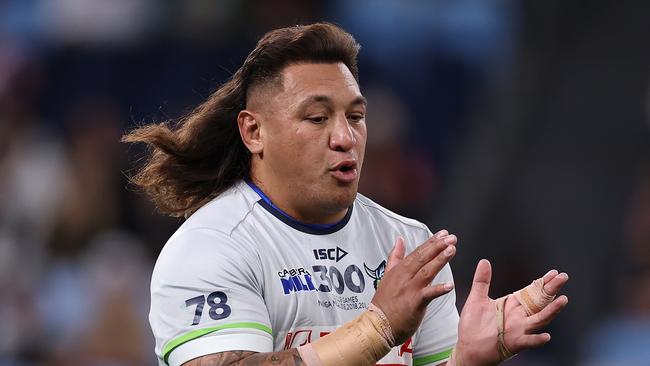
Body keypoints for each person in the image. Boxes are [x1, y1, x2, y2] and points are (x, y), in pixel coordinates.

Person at [123, 23, 569, 366]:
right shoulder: (211, 247)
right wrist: (377, 328)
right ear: (254, 131)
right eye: (317, 118)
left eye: (355, 117)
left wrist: (466, 359)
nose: (344, 137)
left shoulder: (409, 243)